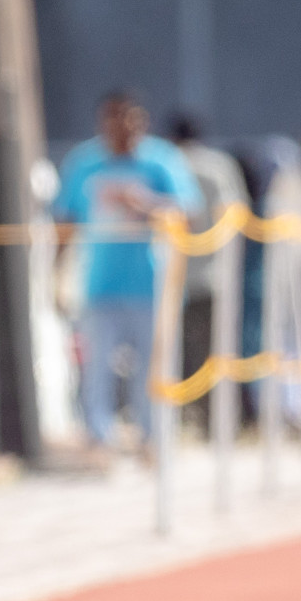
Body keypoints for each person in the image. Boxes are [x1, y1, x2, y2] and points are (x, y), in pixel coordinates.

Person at [53, 91, 203, 453]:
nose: (122, 128)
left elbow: (190, 212)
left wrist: (147, 204)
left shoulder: (161, 161)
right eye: (113, 119)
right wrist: (56, 273)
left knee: (152, 369)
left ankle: (152, 438)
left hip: (153, 284)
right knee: (96, 370)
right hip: (100, 284)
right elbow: (65, 220)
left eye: (129, 119)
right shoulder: (84, 163)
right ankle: (98, 439)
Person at [167, 112, 250, 434]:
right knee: (217, 351)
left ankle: (189, 418)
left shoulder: (169, 164)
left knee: (179, 353)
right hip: (216, 275)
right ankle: (218, 422)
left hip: (175, 277)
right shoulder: (218, 165)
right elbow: (238, 214)